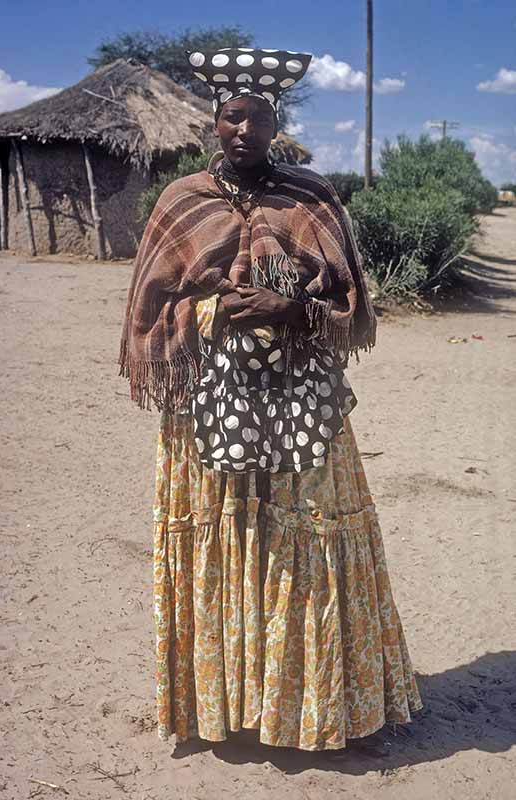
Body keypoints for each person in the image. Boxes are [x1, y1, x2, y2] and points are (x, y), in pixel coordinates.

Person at [119, 47, 422, 751]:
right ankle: (225, 708)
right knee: (224, 533)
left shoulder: (310, 196)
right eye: (231, 117)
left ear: (275, 123)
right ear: (213, 122)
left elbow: (350, 300)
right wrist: (214, 312)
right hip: (206, 405)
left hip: (300, 402)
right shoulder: (180, 201)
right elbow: (150, 306)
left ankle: (313, 709)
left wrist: (291, 310)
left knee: (307, 534)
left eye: (257, 119)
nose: (242, 132)